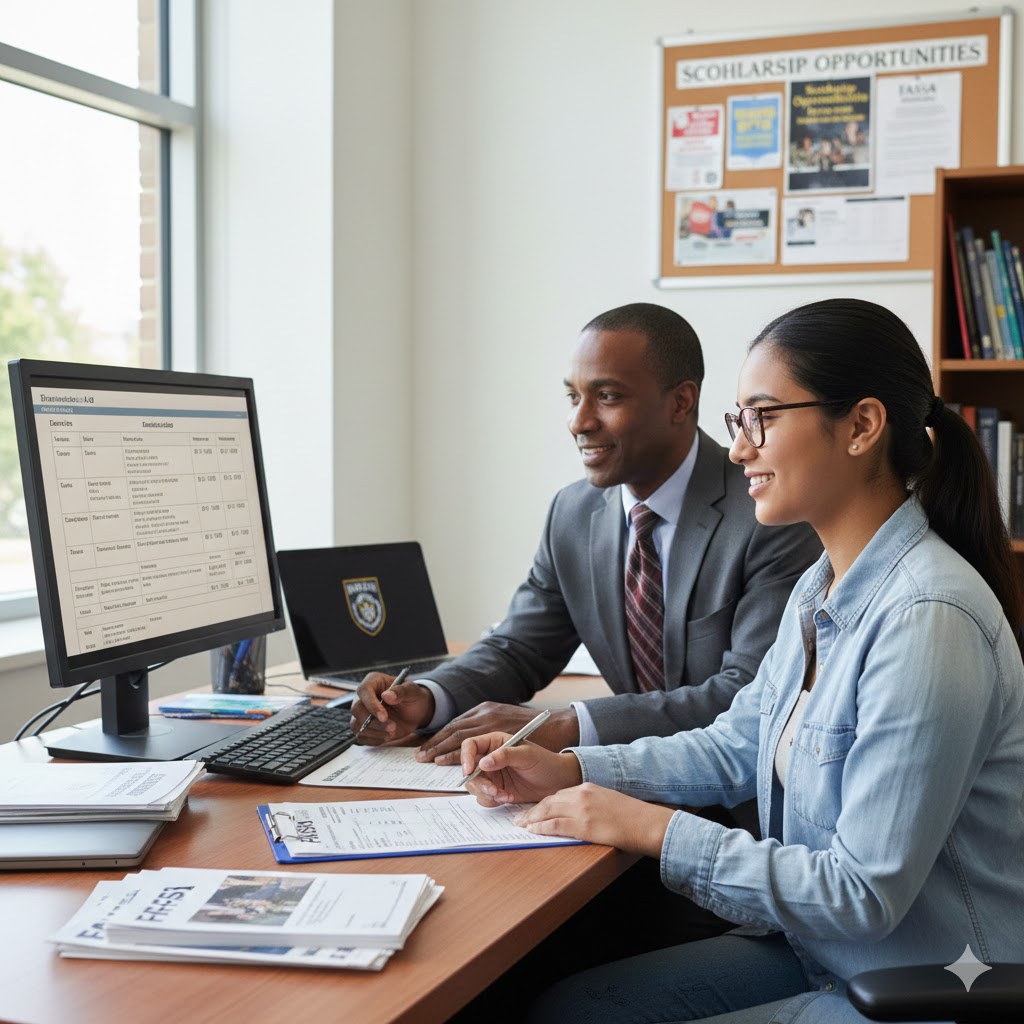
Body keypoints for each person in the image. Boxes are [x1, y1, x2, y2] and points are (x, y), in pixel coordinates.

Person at [459, 297, 1024, 1023]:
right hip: (825, 952)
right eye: (738, 419)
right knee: (573, 1007)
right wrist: (573, 769)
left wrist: (650, 828)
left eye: (763, 416)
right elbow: (740, 740)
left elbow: (862, 895)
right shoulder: (821, 585)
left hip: (921, 987)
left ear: (861, 426)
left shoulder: (928, 619)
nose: (738, 449)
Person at [352, 303, 820, 767]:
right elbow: (519, 648)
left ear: (681, 402)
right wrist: (428, 698)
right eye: (573, 397)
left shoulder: (768, 511)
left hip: (734, 804)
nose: (580, 421)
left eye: (608, 396)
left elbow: (748, 695)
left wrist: (569, 724)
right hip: (615, 779)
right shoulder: (572, 514)